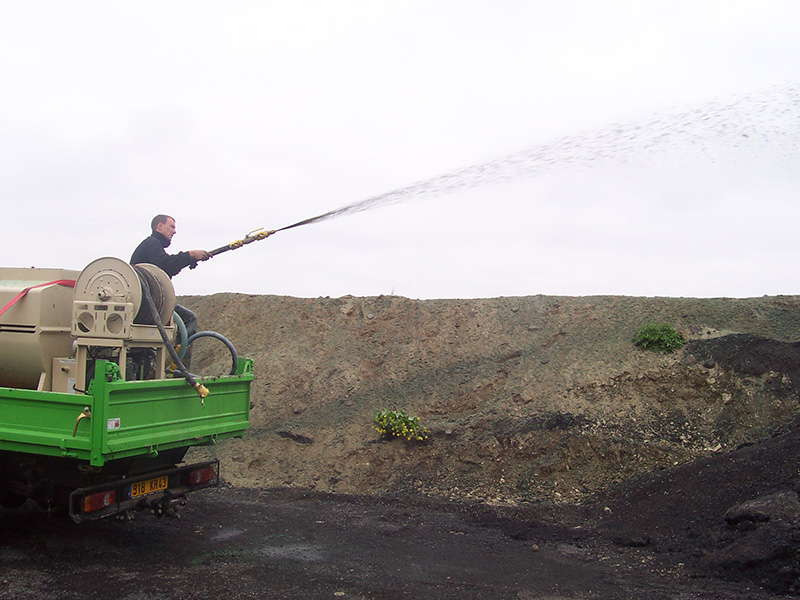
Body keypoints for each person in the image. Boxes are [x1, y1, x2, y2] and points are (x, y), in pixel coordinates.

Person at [131, 214, 212, 365]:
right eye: (172, 227)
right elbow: (165, 264)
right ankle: (178, 367)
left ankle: (165, 363)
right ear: (160, 226)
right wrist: (190, 255)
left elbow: (165, 271)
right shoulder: (151, 244)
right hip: (148, 303)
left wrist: (190, 260)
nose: (174, 231)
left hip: (148, 303)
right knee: (189, 319)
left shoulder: (152, 246)